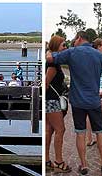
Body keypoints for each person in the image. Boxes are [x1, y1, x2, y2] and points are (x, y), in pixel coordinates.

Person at [47, 30, 102, 175]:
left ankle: (84, 165)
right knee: (100, 132)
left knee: (80, 133)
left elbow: (51, 59)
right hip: (94, 101)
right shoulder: (99, 54)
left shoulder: (72, 52)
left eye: (74, 39)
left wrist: (49, 51)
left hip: (78, 101)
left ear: (79, 38)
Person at [45, 35, 70, 174]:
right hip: (52, 100)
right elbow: (46, 82)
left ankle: (47, 160)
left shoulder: (52, 60)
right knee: (60, 129)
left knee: (49, 130)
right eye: (63, 45)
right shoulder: (53, 64)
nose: (65, 48)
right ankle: (59, 161)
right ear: (56, 47)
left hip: (49, 100)